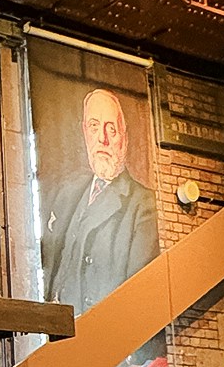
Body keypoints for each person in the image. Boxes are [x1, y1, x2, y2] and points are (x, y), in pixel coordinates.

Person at [42, 89, 160, 318]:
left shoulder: (143, 205)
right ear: (85, 132)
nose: (102, 138)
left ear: (123, 138)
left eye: (111, 129)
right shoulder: (68, 193)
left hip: (100, 336)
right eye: (94, 126)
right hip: (57, 333)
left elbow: (139, 292)